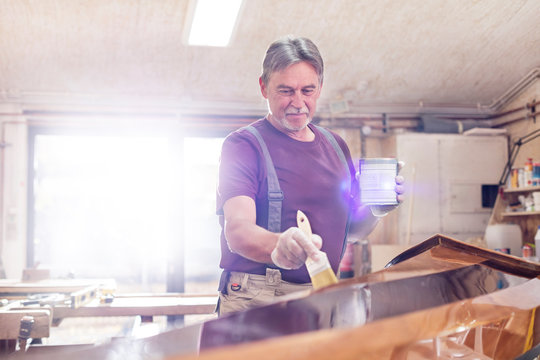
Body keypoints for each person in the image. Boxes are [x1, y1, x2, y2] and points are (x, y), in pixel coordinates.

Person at [216, 36, 404, 316]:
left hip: (322, 296)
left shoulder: (336, 146)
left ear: (320, 89)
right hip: (259, 297)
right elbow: (238, 230)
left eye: (307, 90)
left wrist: (375, 210)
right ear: (264, 87)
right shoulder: (244, 145)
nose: (298, 102)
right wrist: (277, 246)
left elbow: (351, 232)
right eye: (286, 91)